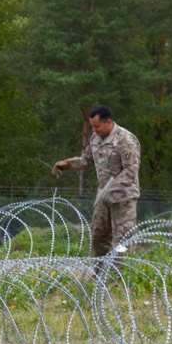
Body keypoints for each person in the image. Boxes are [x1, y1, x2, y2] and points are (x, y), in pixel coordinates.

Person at [52, 105, 140, 259]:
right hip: (103, 197)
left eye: (97, 126)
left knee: (122, 241)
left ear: (108, 122)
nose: (93, 130)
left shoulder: (125, 140)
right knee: (98, 236)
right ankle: (100, 271)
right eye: (92, 126)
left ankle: (120, 273)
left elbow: (130, 172)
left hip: (123, 198)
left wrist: (109, 189)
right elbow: (87, 160)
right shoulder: (95, 139)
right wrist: (66, 164)